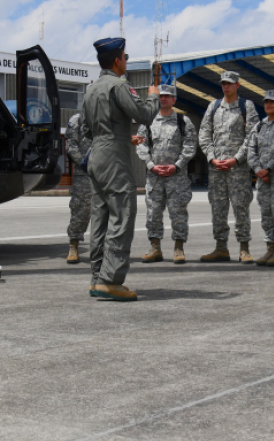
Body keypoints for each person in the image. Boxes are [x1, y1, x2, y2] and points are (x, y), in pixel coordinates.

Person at [79, 37, 159, 301]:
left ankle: (96, 277)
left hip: (96, 154)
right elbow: (143, 115)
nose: (126, 61)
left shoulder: (91, 89)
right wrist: (153, 97)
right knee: (123, 213)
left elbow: (84, 129)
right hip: (114, 155)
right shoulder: (119, 85)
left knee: (100, 217)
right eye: (125, 57)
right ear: (117, 60)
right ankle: (110, 280)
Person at [198, 70, 260, 263]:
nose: (226, 86)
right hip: (216, 169)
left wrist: (237, 158)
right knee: (218, 208)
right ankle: (220, 248)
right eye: (224, 83)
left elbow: (252, 136)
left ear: (237, 85)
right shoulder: (213, 107)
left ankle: (244, 248)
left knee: (241, 207)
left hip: (238, 169)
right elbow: (204, 135)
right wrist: (211, 158)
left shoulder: (246, 106)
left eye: (230, 83)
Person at [136, 85, 197, 264]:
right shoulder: (147, 121)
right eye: (160, 96)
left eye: (167, 96)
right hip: (154, 177)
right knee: (153, 213)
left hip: (176, 178)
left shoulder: (182, 121)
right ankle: (155, 248)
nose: (163, 99)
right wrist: (150, 165)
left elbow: (190, 145)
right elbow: (141, 145)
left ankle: (178, 248)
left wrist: (176, 166)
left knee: (178, 213)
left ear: (173, 100)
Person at [247, 89, 274, 267]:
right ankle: (269, 247)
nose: (268, 105)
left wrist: (268, 168)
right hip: (262, 179)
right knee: (266, 213)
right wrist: (258, 169)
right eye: (266, 102)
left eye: (273, 102)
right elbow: (251, 150)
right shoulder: (259, 125)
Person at [63, 112, 92, 264]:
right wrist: (83, 163)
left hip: (106, 173)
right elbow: (71, 145)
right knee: (80, 210)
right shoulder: (78, 120)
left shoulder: (109, 117)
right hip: (84, 173)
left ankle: (105, 249)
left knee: (109, 211)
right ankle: (73, 246)